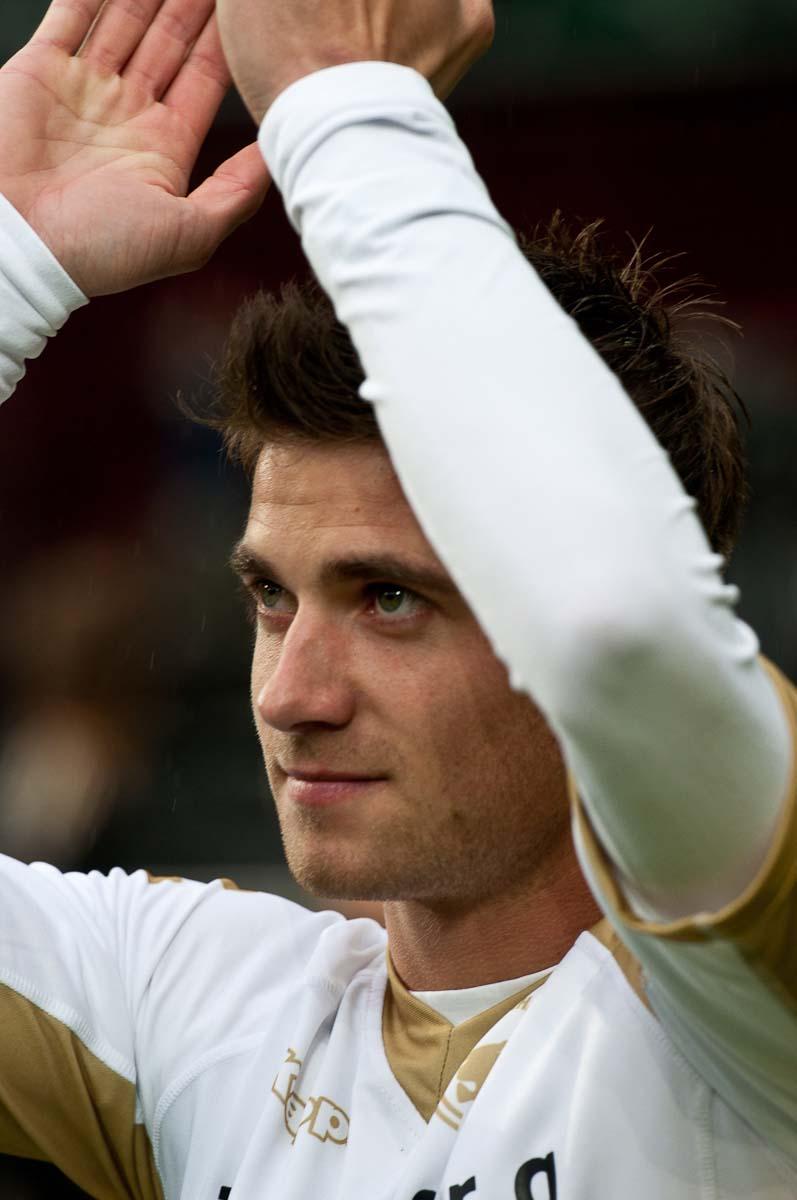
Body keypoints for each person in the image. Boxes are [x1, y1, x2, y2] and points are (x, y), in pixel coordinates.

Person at [0, 0, 795, 1197]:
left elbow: (618, 632)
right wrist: (13, 258)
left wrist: (343, 111)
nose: (291, 696)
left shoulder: (746, 998)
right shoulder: (188, 1008)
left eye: (388, 600)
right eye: (272, 597)